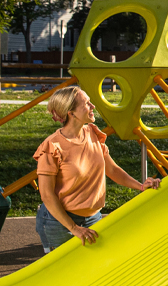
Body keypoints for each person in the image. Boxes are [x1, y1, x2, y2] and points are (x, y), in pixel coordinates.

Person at [33, 86, 161, 253]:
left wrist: (141, 186)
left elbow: (113, 170)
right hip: (60, 223)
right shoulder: (52, 146)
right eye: (86, 103)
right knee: (62, 275)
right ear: (71, 113)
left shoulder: (92, 133)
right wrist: (74, 228)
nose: (92, 106)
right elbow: (47, 195)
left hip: (93, 218)